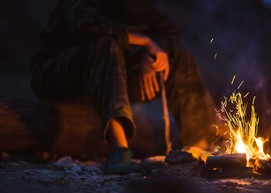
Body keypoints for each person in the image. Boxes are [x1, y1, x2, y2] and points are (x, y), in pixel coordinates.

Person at [31, 0, 219, 174]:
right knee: (105, 44)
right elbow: (89, 25)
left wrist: (151, 55)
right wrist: (146, 42)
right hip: (60, 78)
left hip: (110, 81)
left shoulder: (141, 8)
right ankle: (120, 151)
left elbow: (169, 30)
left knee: (178, 56)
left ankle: (200, 146)